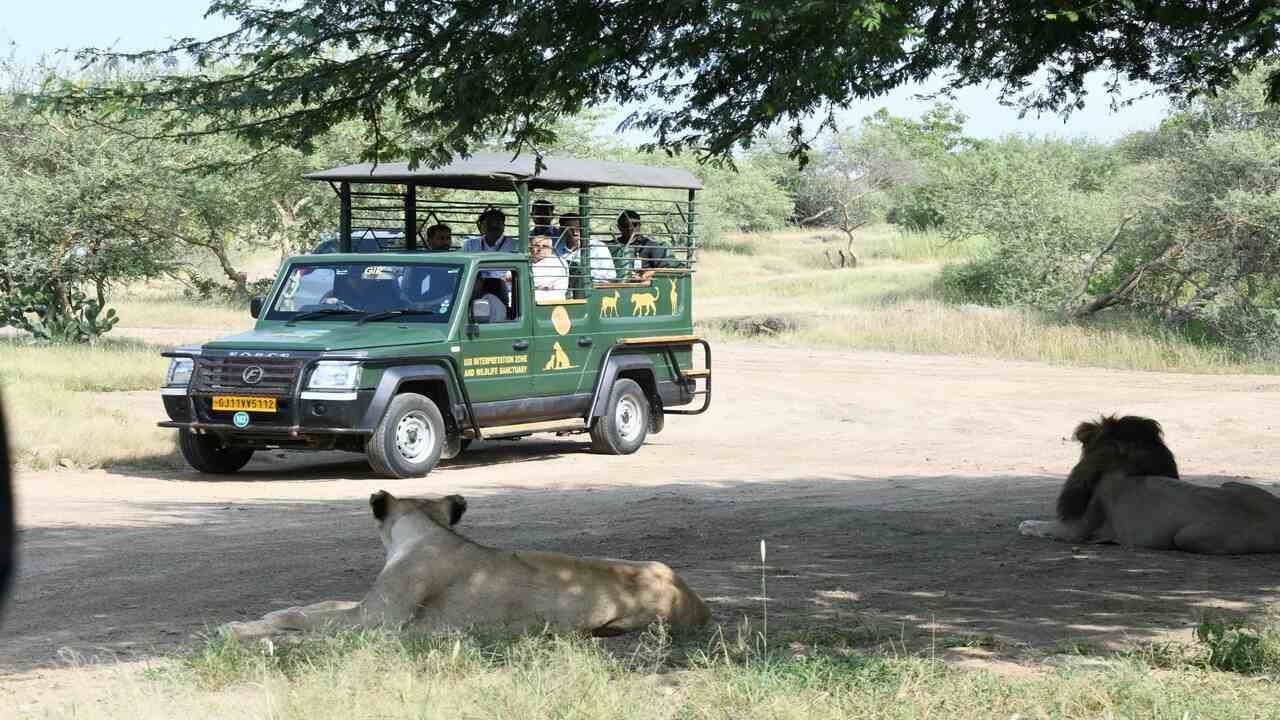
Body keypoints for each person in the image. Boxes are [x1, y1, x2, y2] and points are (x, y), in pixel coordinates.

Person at [609, 209, 672, 281]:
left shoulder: (649, 245)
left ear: (639, 225)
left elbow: (665, 268)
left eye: (634, 224)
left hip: (642, 287)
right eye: (625, 225)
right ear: (619, 227)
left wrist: (646, 275)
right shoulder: (612, 246)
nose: (630, 228)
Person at [555, 213, 616, 284]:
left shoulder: (597, 247)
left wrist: (582, 274)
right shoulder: (554, 247)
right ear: (561, 230)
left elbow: (610, 277)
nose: (575, 233)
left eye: (578, 229)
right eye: (570, 229)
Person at [529, 235, 568, 302]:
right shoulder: (527, 260)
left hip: (551, 301)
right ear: (530, 248)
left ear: (551, 249)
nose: (540, 249)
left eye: (545, 246)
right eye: (536, 245)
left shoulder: (557, 262)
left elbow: (537, 280)